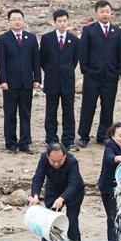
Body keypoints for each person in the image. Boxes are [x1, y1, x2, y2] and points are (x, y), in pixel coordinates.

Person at [29, 143, 85, 241]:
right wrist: (35, 195)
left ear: (65, 156)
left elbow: (73, 184)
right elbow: (38, 178)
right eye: (52, 161)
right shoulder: (43, 159)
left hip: (73, 192)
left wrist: (62, 198)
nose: (56, 164)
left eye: (59, 161)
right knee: (48, 224)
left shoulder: (72, 162)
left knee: (72, 224)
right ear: (48, 157)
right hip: (53, 190)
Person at [77, 0, 121, 148]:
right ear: (96, 13)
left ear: (111, 13)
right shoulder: (89, 30)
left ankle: (104, 135)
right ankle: (84, 135)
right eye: (102, 11)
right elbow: (83, 52)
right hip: (92, 75)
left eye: (107, 11)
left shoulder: (117, 32)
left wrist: (119, 71)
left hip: (110, 76)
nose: (105, 14)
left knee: (108, 107)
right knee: (88, 105)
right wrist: (86, 70)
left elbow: (120, 53)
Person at [0, 9, 40, 154]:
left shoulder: (31, 38)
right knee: (10, 113)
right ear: (9, 22)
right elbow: (0, 62)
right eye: (14, 19)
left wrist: (37, 79)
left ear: (23, 20)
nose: (17, 21)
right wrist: (2, 80)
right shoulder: (3, 39)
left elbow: (36, 60)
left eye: (19, 19)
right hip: (10, 83)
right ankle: (11, 143)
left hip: (27, 82)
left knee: (25, 113)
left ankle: (25, 143)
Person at [40, 9, 80, 149]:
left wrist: (66, 70)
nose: (62, 24)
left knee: (68, 110)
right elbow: (42, 60)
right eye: (59, 21)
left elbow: (75, 61)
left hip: (67, 80)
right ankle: (51, 138)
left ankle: (68, 139)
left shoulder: (74, 40)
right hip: (52, 80)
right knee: (51, 110)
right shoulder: (47, 39)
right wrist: (52, 71)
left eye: (64, 21)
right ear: (54, 22)